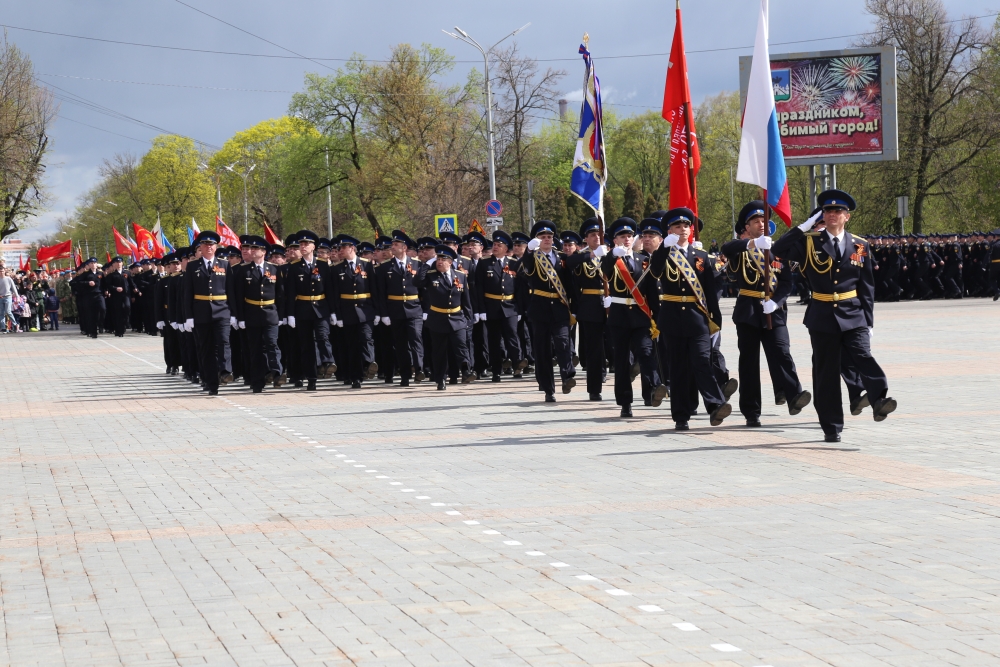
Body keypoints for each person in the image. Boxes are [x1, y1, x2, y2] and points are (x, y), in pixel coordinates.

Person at [772, 189, 896, 442]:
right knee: (826, 372)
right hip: (822, 314)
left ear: (846, 217)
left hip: (853, 313)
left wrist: (869, 320)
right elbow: (778, 250)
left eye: (837, 211)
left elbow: (867, 286)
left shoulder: (860, 245)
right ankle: (831, 426)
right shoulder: (809, 242)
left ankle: (879, 398)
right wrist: (802, 227)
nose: (832, 214)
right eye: (827, 211)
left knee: (863, 355)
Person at [721, 201, 811, 426]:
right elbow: (727, 248)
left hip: (774, 310)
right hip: (749, 311)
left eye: (763, 220)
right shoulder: (742, 248)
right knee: (749, 363)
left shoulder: (778, 250)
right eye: (755, 221)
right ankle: (751, 411)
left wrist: (777, 302)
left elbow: (787, 283)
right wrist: (752, 243)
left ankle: (793, 396)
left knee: (782, 352)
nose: (761, 224)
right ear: (747, 226)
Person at [647, 209, 732, 430]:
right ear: (669, 231)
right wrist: (664, 246)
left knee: (702, 362)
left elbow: (711, 292)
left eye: (686, 226)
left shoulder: (702, 257)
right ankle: (681, 416)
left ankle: (715, 406)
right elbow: (655, 271)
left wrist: (715, 321)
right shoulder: (663, 253)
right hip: (673, 317)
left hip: (697, 318)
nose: (682, 229)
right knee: (678, 368)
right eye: (677, 226)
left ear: (691, 229)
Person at [598, 217, 666, 418]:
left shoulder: (643, 261)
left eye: (629, 235)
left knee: (646, 353)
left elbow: (652, 291)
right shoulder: (611, 260)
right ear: (615, 239)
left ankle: (654, 387)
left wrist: (658, 318)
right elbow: (604, 271)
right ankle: (625, 402)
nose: (627, 239)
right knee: (622, 362)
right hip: (619, 318)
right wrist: (612, 255)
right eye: (622, 236)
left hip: (640, 316)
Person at [520, 220, 577, 403]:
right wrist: (528, 251)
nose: (547, 239)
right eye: (543, 237)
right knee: (542, 350)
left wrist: (573, 308)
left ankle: (568, 376)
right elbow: (525, 270)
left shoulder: (562, 257)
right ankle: (548, 389)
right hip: (540, 308)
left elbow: (570, 284)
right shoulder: (534, 256)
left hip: (559, 306)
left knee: (563, 343)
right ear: (536, 240)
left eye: (550, 237)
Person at [283, 230, 337, 390]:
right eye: (301, 244)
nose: (303, 246)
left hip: (321, 308)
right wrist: (290, 314)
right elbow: (290, 292)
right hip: (303, 309)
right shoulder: (294, 267)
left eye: (306, 244)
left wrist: (333, 311)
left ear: (313, 246)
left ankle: (328, 361)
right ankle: (311, 377)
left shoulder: (322, 265)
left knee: (323, 336)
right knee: (306, 346)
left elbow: (330, 290)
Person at [182, 231, 233, 396]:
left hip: (222, 310)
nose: (208, 247)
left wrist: (234, 313)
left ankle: (225, 371)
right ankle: (211, 383)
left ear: (216, 247)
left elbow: (231, 291)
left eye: (211, 245)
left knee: (224, 342)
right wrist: (188, 317)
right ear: (200, 248)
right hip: (201, 312)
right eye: (205, 244)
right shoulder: (192, 266)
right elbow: (187, 293)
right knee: (206, 349)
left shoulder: (224, 265)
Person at [374, 229, 427, 387]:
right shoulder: (384, 268)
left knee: (416, 339)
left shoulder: (418, 265)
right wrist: (384, 314)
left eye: (396, 244)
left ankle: (419, 369)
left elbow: (425, 291)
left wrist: (426, 310)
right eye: (393, 244)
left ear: (404, 248)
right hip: (395, 310)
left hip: (415, 308)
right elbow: (381, 294)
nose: (393, 247)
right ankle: (405, 375)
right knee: (401, 344)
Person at [233, 235, 284, 393]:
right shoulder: (243, 270)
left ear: (263, 252)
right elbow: (238, 296)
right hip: (252, 314)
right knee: (255, 349)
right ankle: (257, 382)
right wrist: (239, 317)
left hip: (270, 313)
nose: (252, 251)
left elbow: (281, 295)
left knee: (271, 343)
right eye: (251, 248)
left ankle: (277, 372)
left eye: (256, 249)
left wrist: (282, 316)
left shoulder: (274, 269)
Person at [422, 244, 476, 389]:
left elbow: (466, 299)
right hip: (437, 318)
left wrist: (468, 318)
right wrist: (426, 266)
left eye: (443, 259)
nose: (439, 261)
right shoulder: (431, 275)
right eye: (438, 258)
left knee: (461, 345)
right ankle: (441, 379)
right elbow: (417, 282)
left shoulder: (460, 275)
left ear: (450, 262)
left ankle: (466, 371)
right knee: (439, 351)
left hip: (457, 318)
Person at [474, 229, 525, 383]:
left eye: (499, 245)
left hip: (510, 306)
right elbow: (479, 289)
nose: (495, 247)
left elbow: (520, 289)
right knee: (494, 340)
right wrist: (481, 310)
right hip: (491, 307)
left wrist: (520, 309)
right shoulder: (484, 264)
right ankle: (496, 371)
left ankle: (518, 365)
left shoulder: (514, 264)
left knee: (512, 337)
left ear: (506, 248)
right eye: (494, 244)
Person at [569, 218, 609, 401]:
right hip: (591, 307)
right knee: (594, 350)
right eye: (592, 235)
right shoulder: (582, 257)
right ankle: (594, 388)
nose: (597, 238)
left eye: (599, 234)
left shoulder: (610, 254)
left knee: (615, 346)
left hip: (611, 305)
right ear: (586, 239)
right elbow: (569, 264)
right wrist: (592, 255)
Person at [331, 235, 378, 388]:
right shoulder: (337, 268)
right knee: (351, 346)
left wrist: (378, 312)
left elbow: (374, 289)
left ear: (352, 248)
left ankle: (368, 363)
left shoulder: (367, 265)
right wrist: (336, 315)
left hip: (366, 310)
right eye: (340, 248)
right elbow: (335, 294)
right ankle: (356, 377)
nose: (341, 251)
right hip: (347, 311)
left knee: (366, 338)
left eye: (344, 248)